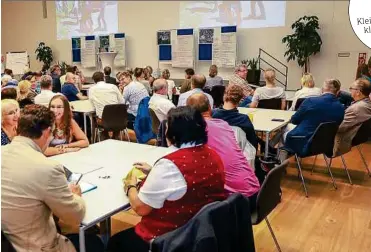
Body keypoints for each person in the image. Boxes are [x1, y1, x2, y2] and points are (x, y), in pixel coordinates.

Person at [107, 106, 226, 252]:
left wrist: (130, 186)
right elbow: (189, 182)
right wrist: (154, 172)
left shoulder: (170, 165)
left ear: (173, 132)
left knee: (116, 242)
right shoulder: (213, 154)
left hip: (170, 239)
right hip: (202, 231)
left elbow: (140, 208)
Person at [1, 104, 104, 252]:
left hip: (8, 241)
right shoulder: (47, 168)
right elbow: (75, 216)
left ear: (18, 129)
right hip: (38, 246)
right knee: (95, 243)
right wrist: (75, 195)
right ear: (48, 132)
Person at [187, 93, 260, 209]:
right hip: (255, 192)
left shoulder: (196, 131)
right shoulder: (224, 125)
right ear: (210, 108)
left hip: (233, 203)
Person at [280, 79, 345, 160]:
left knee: (284, 128)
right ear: (338, 92)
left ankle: (279, 161)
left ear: (322, 90)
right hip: (325, 144)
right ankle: (279, 155)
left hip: (304, 141)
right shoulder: (341, 107)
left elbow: (294, 120)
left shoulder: (311, 101)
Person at [333, 78, 371, 156]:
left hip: (341, 142)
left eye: (351, 88)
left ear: (358, 92)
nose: (349, 90)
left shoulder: (356, 109)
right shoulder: (367, 104)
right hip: (359, 139)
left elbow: (339, 128)